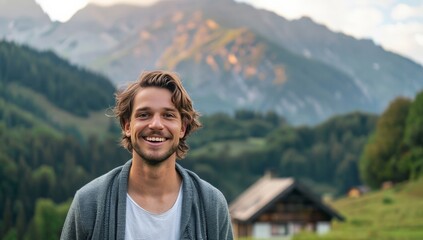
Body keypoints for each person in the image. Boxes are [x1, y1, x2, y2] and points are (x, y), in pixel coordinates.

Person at [60, 70, 234, 239]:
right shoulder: (89, 203)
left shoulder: (211, 206)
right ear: (127, 126)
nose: (156, 124)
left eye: (168, 115)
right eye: (144, 115)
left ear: (183, 128)